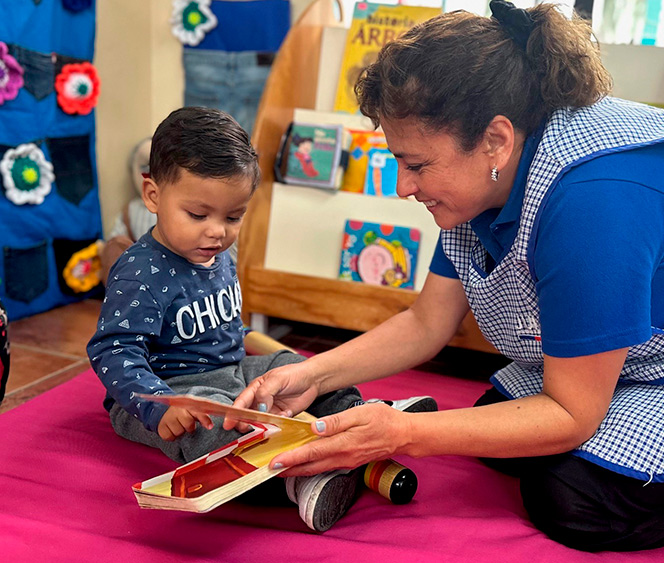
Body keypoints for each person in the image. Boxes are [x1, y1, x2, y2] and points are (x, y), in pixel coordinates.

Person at [224, 1, 664, 552]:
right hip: (662, 349)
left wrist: (401, 433)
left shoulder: (595, 200)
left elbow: (571, 412)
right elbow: (426, 322)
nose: (403, 185)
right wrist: (313, 374)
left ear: (494, 139)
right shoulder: (486, 177)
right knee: (496, 426)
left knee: (575, 499)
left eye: (417, 164)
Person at [87, 107, 434, 532]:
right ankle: (299, 483)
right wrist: (156, 405)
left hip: (232, 371)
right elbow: (112, 348)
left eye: (233, 217)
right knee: (217, 424)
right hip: (171, 393)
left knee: (302, 371)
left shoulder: (219, 255)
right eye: (199, 215)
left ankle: (358, 417)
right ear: (154, 195)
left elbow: (230, 330)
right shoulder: (141, 271)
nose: (218, 231)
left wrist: (288, 360)